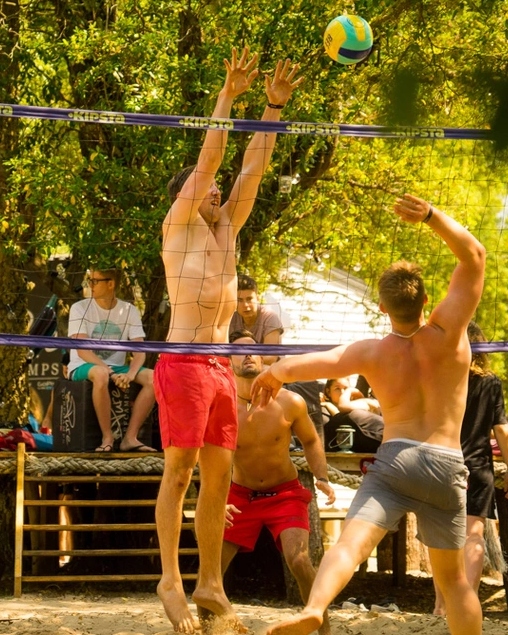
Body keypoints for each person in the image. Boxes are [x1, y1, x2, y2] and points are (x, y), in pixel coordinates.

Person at [254, 194, 486, 635]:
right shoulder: (450, 332)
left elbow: (323, 360)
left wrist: (277, 371)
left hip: (396, 459)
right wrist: (432, 217)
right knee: (454, 582)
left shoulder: (374, 353)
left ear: (382, 307)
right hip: (445, 463)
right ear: (427, 300)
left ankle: (316, 608)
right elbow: (474, 255)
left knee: (349, 546)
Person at [155, 49, 302, 633]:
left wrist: (271, 107)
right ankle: (169, 578)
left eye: (215, 190)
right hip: (184, 360)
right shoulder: (180, 225)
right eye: (203, 188)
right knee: (180, 473)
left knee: (222, 475)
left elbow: (251, 171)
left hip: (219, 365)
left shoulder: (227, 232)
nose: (215, 191)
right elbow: (213, 158)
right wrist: (227, 98)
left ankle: (210, 583)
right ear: (187, 196)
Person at [224, 332, 336, 635]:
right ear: (227, 359)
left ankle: (322, 628)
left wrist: (322, 477)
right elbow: (204, 456)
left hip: (284, 494)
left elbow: (312, 440)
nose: (247, 356)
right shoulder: (221, 404)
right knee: (211, 568)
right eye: (239, 352)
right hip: (238, 495)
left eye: (253, 352)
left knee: (298, 560)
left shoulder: (290, 401)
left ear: (265, 358)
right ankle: (210, 628)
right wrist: (214, 500)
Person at [432, 321, 508, 616]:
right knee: (474, 535)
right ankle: (466, 601)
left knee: (442, 537)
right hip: (477, 465)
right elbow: (502, 430)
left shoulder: (440, 377)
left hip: (441, 463)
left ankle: (441, 605)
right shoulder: (491, 382)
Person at [66, 268, 157, 452]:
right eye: (88, 280)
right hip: (82, 365)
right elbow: (82, 351)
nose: (90, 285)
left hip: (117, 368)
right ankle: (107, 437)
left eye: (95, 281)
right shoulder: (79, 308)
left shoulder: (129, 310)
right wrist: (111, 372)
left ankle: (130, 438)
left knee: (154, 378)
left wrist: (130, 375)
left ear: (111, 283)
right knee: (100, 373)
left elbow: (140, 351)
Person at [231, 273, 284, 364]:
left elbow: (270, 358)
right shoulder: (231, 318)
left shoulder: (270, 317)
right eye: (239, 300)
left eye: (249, 299)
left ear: (257, 298)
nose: (245, 305)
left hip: (269, 370)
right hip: (240, 369)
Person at [320, 377, 383, 453]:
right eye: (337, 389)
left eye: (346, 389)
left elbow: (342, 413)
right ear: (328, 391)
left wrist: (328, 405)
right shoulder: (323, 411)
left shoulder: (364, 404)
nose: (342, 392)